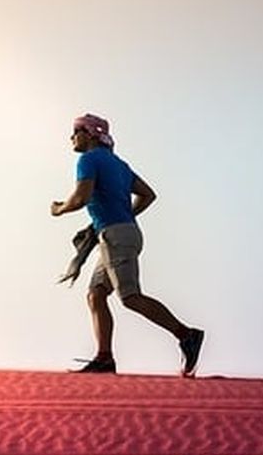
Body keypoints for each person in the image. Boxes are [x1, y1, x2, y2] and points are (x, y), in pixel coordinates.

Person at [50, 113, 205, 376]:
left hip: (116, 237)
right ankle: (104, 358)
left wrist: (59, 209)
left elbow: (80, 197)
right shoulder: (119, 164)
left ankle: (186, 334)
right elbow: (148, 194)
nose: (72, 137)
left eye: (76, 131)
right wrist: (124, 216)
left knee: (130, 297)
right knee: (96, 294)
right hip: (120, 234)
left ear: (90, 134)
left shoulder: (88, 159)